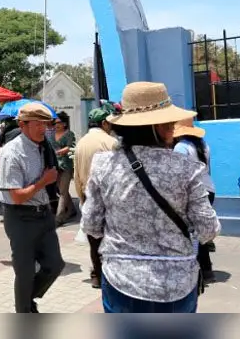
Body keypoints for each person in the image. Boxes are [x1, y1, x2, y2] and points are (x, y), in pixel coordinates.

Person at [82, 82, 220, 313]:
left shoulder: (103, 165)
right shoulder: (186, 168)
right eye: (170, 122)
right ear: (160, 126)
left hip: (121, 280)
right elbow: (208, 229)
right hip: (177, 284)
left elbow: (91, 225)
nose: (173, 127)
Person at [0, 103, 65, 313]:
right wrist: (44, 181)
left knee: (54, 265)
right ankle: (25, 310)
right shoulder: (12, 153)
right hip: (21, 218)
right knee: (25, 272)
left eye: (45, 123)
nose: (42, 128)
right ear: (23, 124)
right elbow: (16, 196)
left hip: (43, 214)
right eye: (37, 123)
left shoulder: (43, 145)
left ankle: (26, 298)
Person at [73, 104, 119, 288]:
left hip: (87, 196)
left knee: (94, 240)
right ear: (103, 123)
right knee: (111, 240)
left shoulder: (80, 143)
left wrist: (82, 199)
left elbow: (76, 176)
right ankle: (110, 277)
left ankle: (96, 275)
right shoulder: (111, 143)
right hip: (109, 198)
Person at [172, 115, 217, 284]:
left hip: (192, 192)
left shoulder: (181, 147)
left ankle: (200, 270)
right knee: (199, 232)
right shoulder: (203, 145)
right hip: (208, 188)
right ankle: (206, 270)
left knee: (191, 233)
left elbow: (179, 175)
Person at [50, 112, 77, 227]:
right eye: (55, 123)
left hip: (66, 165)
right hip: (55, 165)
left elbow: (71, 147)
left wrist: (62, 151)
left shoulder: (69, 134)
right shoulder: (51, 135)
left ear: (64, 124)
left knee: (62, 192)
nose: (56, 125)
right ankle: (71, 210)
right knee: (61, 189)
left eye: (58, 123)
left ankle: (59, 218)